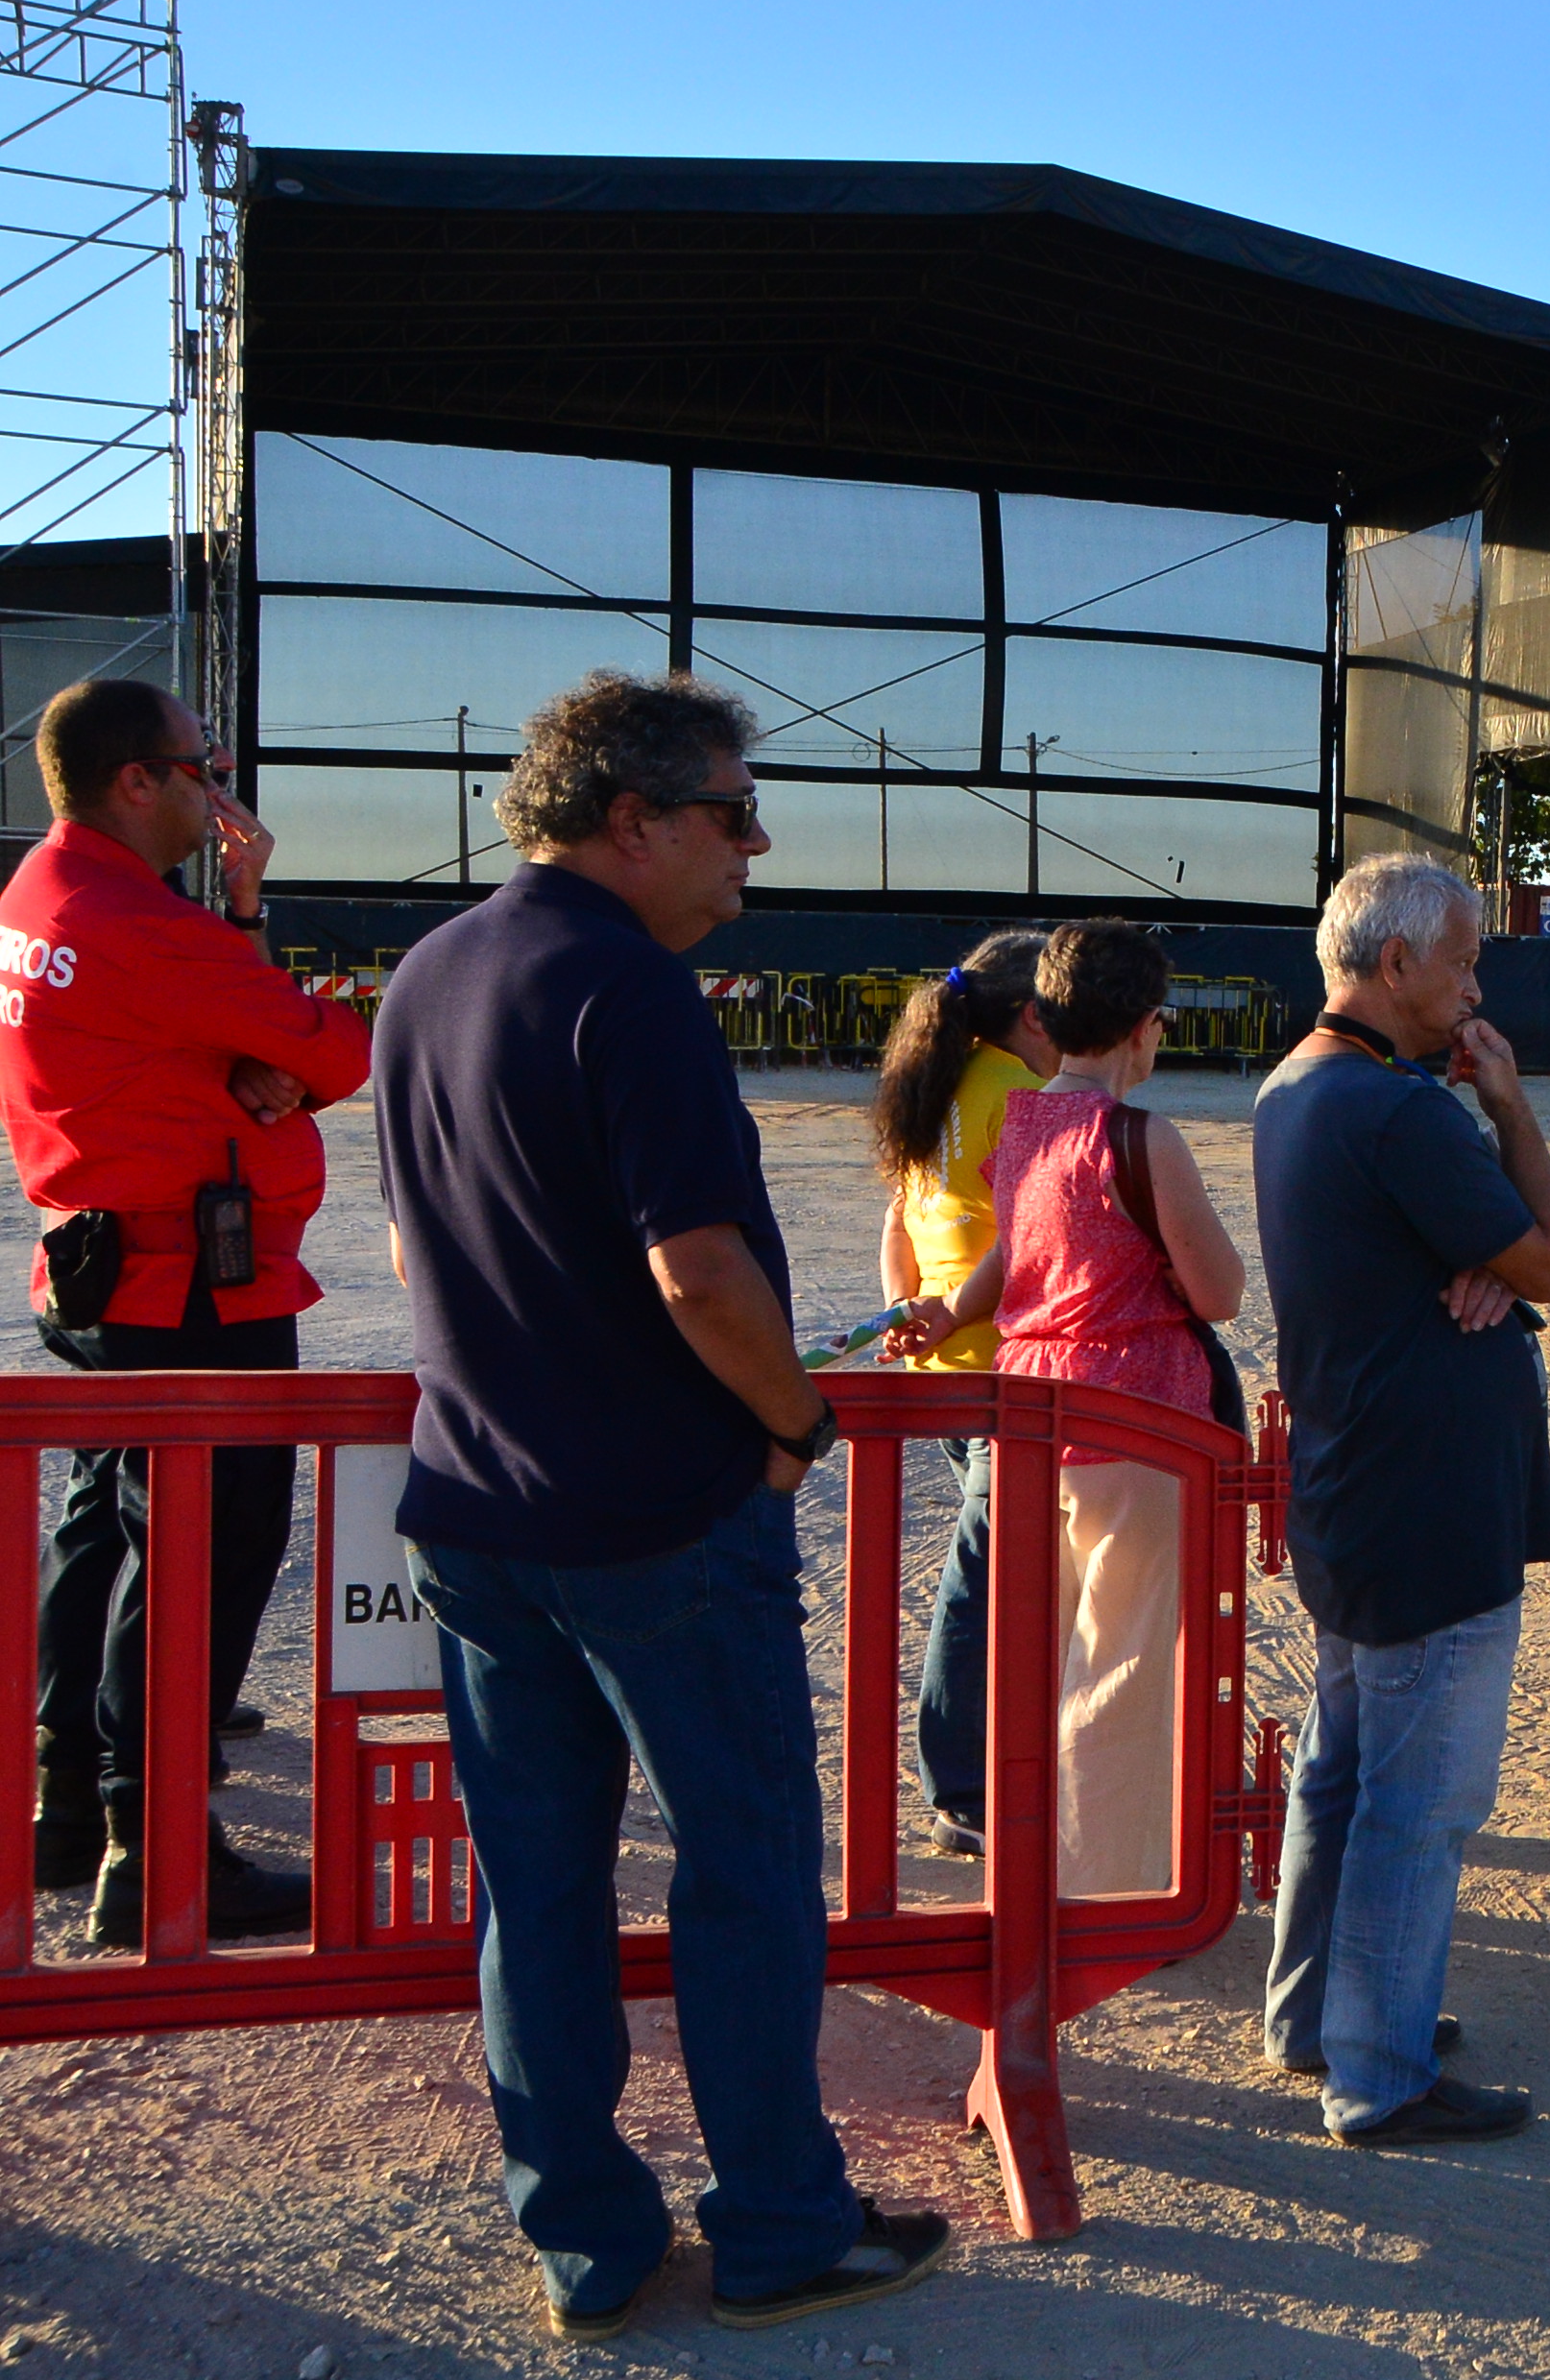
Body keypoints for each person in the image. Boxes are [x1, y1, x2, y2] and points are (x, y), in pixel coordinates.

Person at [375, 670, 948, 2337]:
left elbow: (421, 1248)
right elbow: (698, 1270)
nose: (751, 846)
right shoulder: (627, 990)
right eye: (731, 812)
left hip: (480, 1510)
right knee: (749, 1864)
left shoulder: (429, 972)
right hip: (656, 1518)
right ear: (632, 819)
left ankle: (586, 2239)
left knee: (537, 1886)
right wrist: (796, 1422)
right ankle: (778, 2218)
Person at [0, 677, 368, 1945]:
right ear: (136, 782)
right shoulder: (143, 928)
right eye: (202, 764)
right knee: (203, 1553)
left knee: (107, 1525)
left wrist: (244, 942)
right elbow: (337, 1046)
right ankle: (157, 1851)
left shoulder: (45, 892)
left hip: (101, 1270)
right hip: (195, 1286)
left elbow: (252, 1036)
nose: (222, 789)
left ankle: (69, 1812)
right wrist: (261, 1016)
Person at [1248, 854, 1550, 2146]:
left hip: (1354, 1486)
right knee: (1418, 1798)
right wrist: (1509, 1109)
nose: (1476, 988)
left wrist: (1483, 1259)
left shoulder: (1303, 1086)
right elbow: (1545, 1259)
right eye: (1462, 962)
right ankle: (1376, 2071)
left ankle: (1319, 2010)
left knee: (1343, 1769)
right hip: (1426, 1499)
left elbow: (1482, 1263)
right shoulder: (1398, 1111)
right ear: (1396, 966)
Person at [884, 920, 1243, 1898]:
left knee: (1045, 1645)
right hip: (1135, 1417)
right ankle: (1109, 1880)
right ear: (1145, 1025)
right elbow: (1220, 1291)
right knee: (1123, 1659)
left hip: (1034, 1411)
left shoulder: (1029, 1120)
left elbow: (1015, 1254)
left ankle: (1039, 1855)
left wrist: (949, 1308)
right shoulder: (1142, 1135)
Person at [869, 930, 1055, 1859]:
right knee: (984, 1582)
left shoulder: (939, 1080)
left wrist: (909, 1306)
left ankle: (990, 1767)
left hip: (947, 1367)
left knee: (999, 1575)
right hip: (995, 1366)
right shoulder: (1017, 1092)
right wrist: (944, 1312)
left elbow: (899, 1220)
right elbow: (1029, 1238)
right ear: (1033, 1014)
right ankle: (961, 1787)